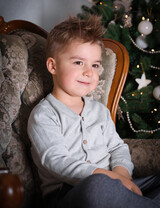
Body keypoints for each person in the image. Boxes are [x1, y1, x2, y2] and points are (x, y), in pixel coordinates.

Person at [27, 15, 160, 208]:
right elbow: (58, 162)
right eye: (79, 62)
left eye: (95, 65)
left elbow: (117, 147)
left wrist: (122, 175)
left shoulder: (99, 110)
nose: (89, 72)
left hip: (115, 183)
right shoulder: (43, 115)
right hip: (71, 194)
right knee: (98, 187)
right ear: (53, 66)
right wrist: (111, 178)